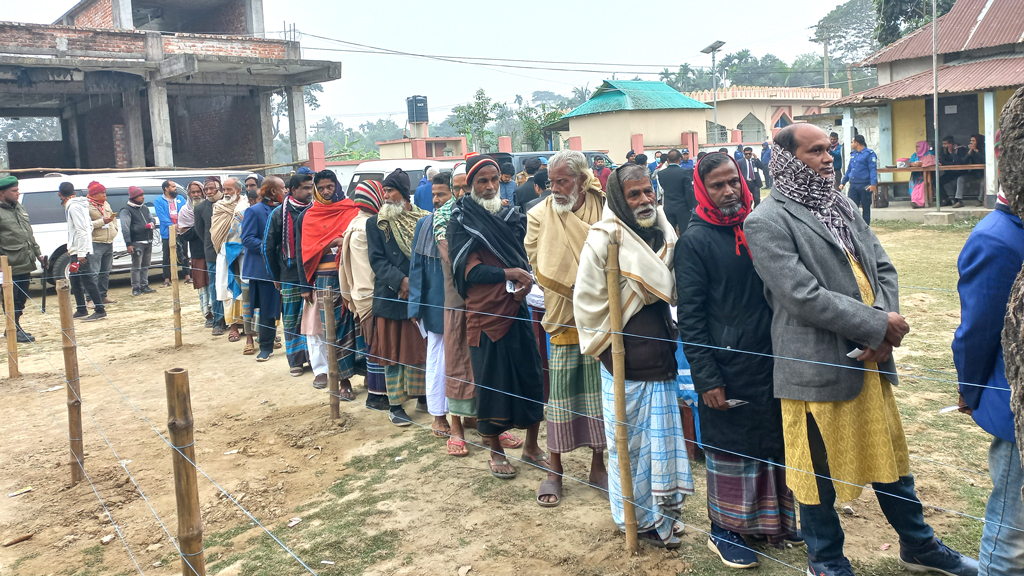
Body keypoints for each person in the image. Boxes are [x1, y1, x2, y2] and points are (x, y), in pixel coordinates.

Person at [745, 123, 978, 576]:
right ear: (789, 159)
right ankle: (826, 560)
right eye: (815, 152)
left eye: (829, 149)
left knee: (891, 460)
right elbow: (800, 295)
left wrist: (882, 328)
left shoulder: (842, 204)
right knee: (815, 474)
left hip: (868, 362)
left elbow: (883, 266)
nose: (828, 158)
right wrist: (875, 326)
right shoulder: (766, 221)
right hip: (813, 369)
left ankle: (919, 544)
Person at [676, 152, 799, 568]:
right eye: (717, 185)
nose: (728, 190)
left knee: (772, 440)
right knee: (732, 446)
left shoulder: (761, 225)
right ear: (702, 189)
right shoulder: (694, 241)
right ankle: (725, 529)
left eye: (733, 181)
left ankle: (770, 524)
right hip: (727, 365)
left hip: (772, 357)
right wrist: (707, 377)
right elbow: (690, 318)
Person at [574, 162, 692, 549]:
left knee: (661, 445)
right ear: (618, 200)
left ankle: (664, 515)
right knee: (631, 445)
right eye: (634, 194)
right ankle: (636, 521)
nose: (644, 201)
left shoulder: (663, 231)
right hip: (624, 359)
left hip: (660, 354)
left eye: (648, 191)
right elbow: (589, 303)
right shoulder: (604, 237)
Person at [956, 98, 1024, 576]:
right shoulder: (998, 238)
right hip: (1014, 400)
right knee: (1012, 529)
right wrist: (970, 388)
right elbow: (979, 330)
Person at [448, 154, 547, 478]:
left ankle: (532, 447)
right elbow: (469, 271)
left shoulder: (510, 215)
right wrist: (510, 272)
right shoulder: (461, 219)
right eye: (482, 181)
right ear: (471, 186)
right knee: (492, 384)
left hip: (517, 308)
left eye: (494, 179)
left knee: (530, 377)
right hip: (485, 316)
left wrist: (523, 277)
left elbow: (525, 255)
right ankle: (496, 451)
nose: (490, 186)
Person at [525, 150, 608, 507]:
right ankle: (554, 470)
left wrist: (591, 286)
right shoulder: (538, 214)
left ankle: (598, 464)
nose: (556, 189)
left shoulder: (604, 208)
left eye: (563, 181)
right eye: (551, 182)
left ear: (581, 179)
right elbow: (536, 258)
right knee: (559, 397)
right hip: (561, 315)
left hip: (600, 315)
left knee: (600, 396)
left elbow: (613, 251)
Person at [434, 163, 496, 456]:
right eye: (456, 187)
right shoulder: (446, 215)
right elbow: (454, 259)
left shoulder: (489, 211)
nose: (460, 193)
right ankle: (456, 429)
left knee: (485, 366)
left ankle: (488, 427)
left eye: (464, 187)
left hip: (487, 302)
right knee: (458, 362)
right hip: (459, 301)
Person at [366, 168, 430, 424]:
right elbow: (377, 260)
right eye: (385, 190)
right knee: (392, 353)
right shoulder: (376, 223)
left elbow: (428, 257)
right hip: (390, 296)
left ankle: (424, 396)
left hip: (419, 294)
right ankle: (396, 406)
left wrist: (414, 283)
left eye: (390, 190)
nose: (386, 195)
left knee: (419, 349)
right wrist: (399, 281)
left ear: (403, 193)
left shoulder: (424, 220)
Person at [296, 169, 365, 398]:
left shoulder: (351, 210)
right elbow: (302, 252)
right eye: (322, 188)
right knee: (333, 330)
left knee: (358, 325)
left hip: (352, 276)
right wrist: (305, 285)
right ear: (315, 189)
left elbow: (359, 238)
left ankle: (368, 375)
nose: (327, 191)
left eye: (330, 186)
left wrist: (342, 240)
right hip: (324, 280)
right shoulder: (307, 216)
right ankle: (343, 381)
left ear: (337, 186)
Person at [409, 172, 453, 437]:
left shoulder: (461, 221)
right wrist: (415, 307)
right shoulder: (424, 225)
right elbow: (416, 268)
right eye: (434, 195)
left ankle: (465, 414)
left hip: (463, 304)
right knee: (438, 358)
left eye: (442, 195)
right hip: (435, 303)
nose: (436, 200)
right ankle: (438, 415)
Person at [341, 180, 388, 409]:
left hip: (359, 293)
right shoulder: (368, 226)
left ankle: (375, 388)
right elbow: (372, 268)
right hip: (372, 294)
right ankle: (377, 396)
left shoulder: (354, 223)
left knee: (372, 344)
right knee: (377, 345)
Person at [264, 171, 315, 377]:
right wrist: (276, 277)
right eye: (305, 188)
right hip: (290, 275)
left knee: (313, 319)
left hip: (313, 273)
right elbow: (267, 247)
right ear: (293, 190)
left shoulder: (314, 211)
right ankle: (295, 361)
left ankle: (313, 358)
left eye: (311, 187)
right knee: (293, 319)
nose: (310, 192)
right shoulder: (279, 214)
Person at [240, 176, 283, 361]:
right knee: (267, 309)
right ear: (273, 191)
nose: (286, 191)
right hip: (264, 268)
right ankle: (265, 346)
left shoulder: (286, 209)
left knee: (289, 308)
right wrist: (270, 248)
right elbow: (247, 239)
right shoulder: (254, 211)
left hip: (287, 267)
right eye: (282, 188)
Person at [0, 176, 45, 342]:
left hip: (25, 260)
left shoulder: (18, 208)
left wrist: (38, 253)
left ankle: (14, 326)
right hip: (9, 263)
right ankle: (13, 328)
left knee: (22, 297)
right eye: (14, 191)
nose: (18, 193)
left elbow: (28, 233)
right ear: (2, 192)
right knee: (11, 297)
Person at [61, 182, 105, 321]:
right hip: (76, 248)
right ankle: (81, 308)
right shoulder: (79, 205)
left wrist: (81, 252)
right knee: (75, 280)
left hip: (81, 250)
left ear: (60, 194)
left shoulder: (74, 207)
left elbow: (81, 229)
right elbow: (88, 226)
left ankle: (99, 309)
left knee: (88, 280)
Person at [188, 176, 226, 335]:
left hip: (231, 250)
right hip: (212, 253)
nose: (209, 192)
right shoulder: (200, 208)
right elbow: (200, 230)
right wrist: (213, 243)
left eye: (212, 188)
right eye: (207, 189)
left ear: (220, 189)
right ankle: (218, 321)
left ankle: (237, 321)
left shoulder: (229, 204)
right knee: (215, 286)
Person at [211, 177, 247, 340]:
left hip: (245, 253)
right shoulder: (218, 207)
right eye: (224, 189)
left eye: (229, 190)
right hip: (225, 253)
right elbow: (215, 231)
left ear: (238, 191)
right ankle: (233, 327)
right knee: (227, 288)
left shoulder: (246, 205)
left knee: (247, 286)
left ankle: (248, 325)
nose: (225, 193)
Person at [178, 182, 209, 319]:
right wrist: (199, 224)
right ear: (189, 194)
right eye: (193, 192)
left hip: (214, 253)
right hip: (198, 253)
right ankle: (208, 314)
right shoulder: (185, 211)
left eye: (198, 192)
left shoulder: (211, 208)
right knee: (203, 284)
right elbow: (185, 234)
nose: (196, 195)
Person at [119, 186, 156, 298]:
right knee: (136, 266)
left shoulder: (144, 208)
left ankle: (144, 285)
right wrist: (128, 243)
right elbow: (125, 227)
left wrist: (152, 223)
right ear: (134, 197)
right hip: (136, 241)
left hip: (148, 240)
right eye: (140, 195)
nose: (143, 197)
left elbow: (152, 218)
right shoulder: (126, 210)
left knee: (145, 265)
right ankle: (136, 287)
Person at [86, 180, 118, 304]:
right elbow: (86, 225)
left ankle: (103, 295)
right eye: (102, 193)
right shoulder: (87, 206)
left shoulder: (106, 204)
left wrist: (114, 228)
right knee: (94, 272)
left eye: (105, 193)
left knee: (105, 272)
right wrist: (102, 222)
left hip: (108, 241)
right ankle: (90, 299)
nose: (105, 195)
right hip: (96, 241)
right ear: (94, 194)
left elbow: (111, 218)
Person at [153, 180, 188, 287]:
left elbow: (184, 211)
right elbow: (161, 215)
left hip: (182, 230)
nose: (175, 188)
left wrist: (180, 225)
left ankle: (187, 275)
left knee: (184, 253)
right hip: (167, 232)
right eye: (172, 186)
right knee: (167, 255)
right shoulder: (159, 200)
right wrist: (172, 226)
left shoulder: (180, 199)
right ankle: (167, 278)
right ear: (166, 188)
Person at [841, 134, 878, 225]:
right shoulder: (854, 154)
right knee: (852, 207)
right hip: (854, 185)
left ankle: (866, 227)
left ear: (856, 143)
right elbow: (849, 169)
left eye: (852, 142)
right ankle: (855, 226)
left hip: (865, 185)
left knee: (866, 207)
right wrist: (843, 182)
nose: (851, 144)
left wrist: (873, 184)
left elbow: (872, 169)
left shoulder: (869, 154)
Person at [659, 149, 696, 235]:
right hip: (683, 208)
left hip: (668, 207)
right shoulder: (684, 172)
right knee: (684, 232)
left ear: (667, 160)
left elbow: (662, 190)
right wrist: (691, 205)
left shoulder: (661, 174)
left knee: (670, 233)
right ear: (680, 159)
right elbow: (689, 191)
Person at [951, 134, 986, 208]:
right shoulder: (970, 150)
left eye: (973, 141)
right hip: (974, 173)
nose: (971, 142)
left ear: (978, 141)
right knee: (961, 179)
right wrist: (969, 152)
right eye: (971, 141)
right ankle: (959, 200)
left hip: (983, 173)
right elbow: (964, 162)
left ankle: (980, 200)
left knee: (983, 183)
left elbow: (983, 160)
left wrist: (976, 151)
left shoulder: (984, 149)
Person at [939, 135, 968, 206]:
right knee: (937, 182)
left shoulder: (961, 149)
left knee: (955, 181)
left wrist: (952, 153)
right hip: (949, 172)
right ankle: (946, 199)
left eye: (946, 144)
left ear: (951, 143)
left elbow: (960, 162)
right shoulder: (943, 150)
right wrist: (952, 163)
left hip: (960, 172)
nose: (944, 146)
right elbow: (942, 161)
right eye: (943, 144)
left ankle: (957, 200)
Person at [908, 141, 935, 209]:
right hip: (916, 176)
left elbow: (930, 162)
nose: (916, 148)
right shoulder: (915, 155)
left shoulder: (929, 153)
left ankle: (920, 203)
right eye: (916, 146)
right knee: (914, 186)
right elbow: (910, 162)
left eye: (918, 146)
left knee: (923, 185)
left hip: (926, 176)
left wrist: (921, 163)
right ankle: (914, 201)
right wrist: (913, 164)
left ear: (923, 146)